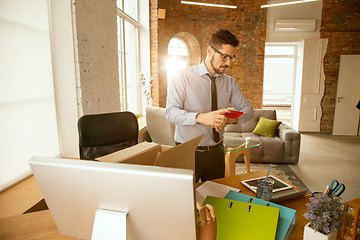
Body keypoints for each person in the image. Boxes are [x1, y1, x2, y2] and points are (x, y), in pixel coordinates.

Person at [165, 29, 255, 182]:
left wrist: (230, 120)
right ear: (209, 51)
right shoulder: (182, 76)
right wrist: (201, 118)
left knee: (216, 197)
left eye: (232, 57)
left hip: (216, 151)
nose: (228, 63)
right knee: (188, 202)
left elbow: (249, 111)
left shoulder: (230, 82)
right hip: (187, 152)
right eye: (225, 57)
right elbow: (170, 112)